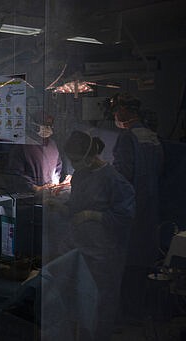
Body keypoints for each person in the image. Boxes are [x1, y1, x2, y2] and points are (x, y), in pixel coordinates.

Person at [63, 130, 135, 341]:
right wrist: (61, 208)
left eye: (76, 160)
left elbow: (124, 218)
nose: (74, 165)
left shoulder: (115, 181)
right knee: (79, 301)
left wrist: (92, 215)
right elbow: (75, 205)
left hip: (104, 253)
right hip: (79, 248)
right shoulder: (80, 175)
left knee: (101, 302)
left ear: (90, 155)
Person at [110, 92, 164, 321]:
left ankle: (128, 314)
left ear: (125, 110)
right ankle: (141, 310)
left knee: (127, 261)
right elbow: (158, 171)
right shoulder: (152, 136)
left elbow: (123, 176)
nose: (114, 113)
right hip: (150, 207)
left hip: (130, 208)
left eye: (117, 108)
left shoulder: (127, 137)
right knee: (144, 259)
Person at [1, 114, 67, 194]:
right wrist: (36, 189)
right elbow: (16, 175)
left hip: (48, 195)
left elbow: (58, 167)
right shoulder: (23, 145)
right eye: (45, 124)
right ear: (34, 125)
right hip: (28, 197)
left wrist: (55, 184)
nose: (48, 128)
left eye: (50, 125)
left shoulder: (52, 145)